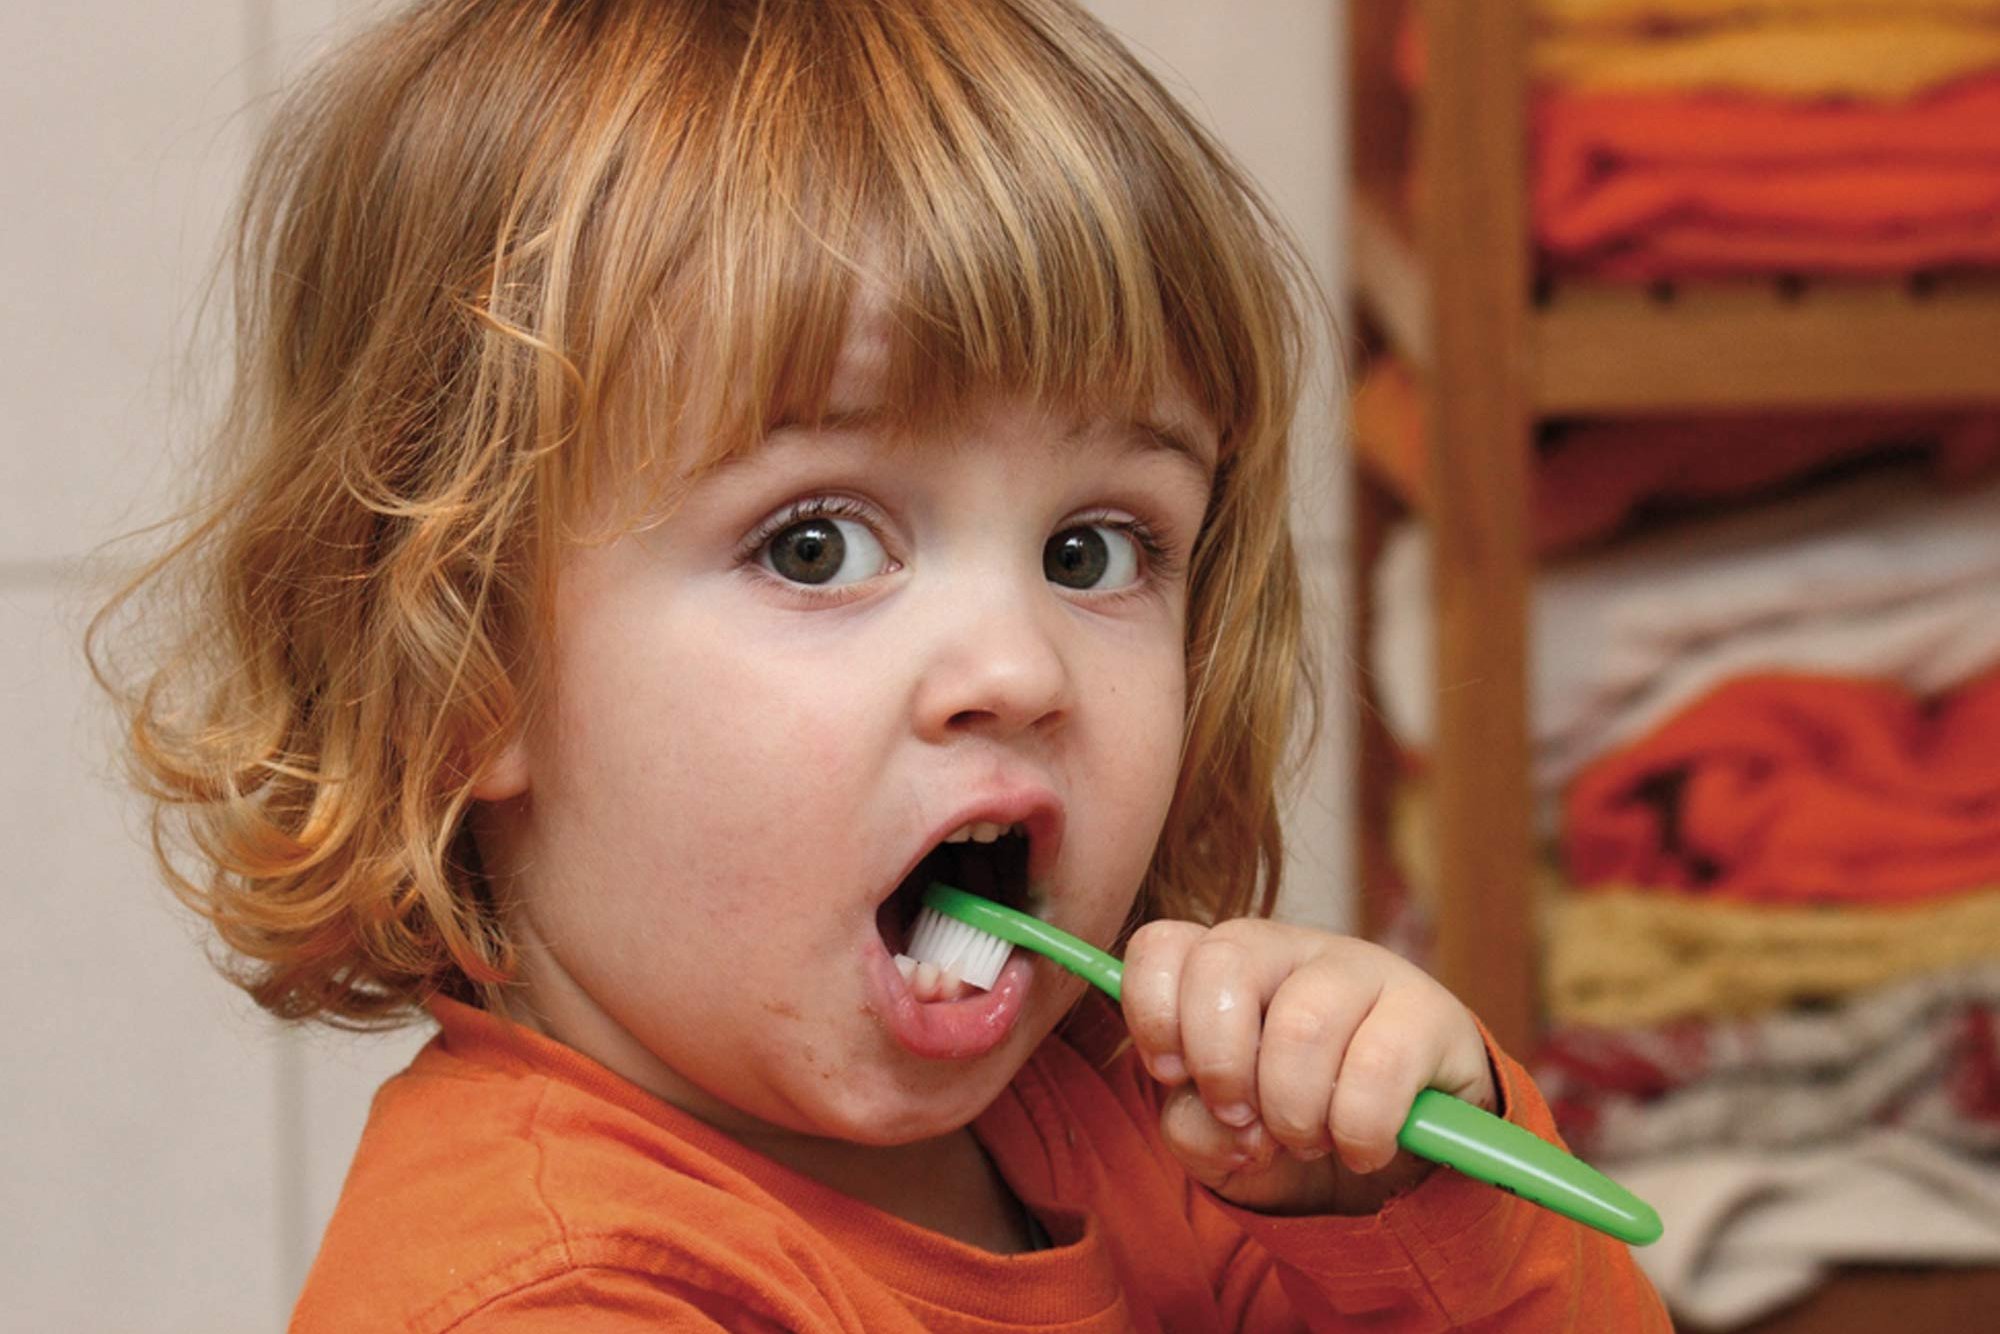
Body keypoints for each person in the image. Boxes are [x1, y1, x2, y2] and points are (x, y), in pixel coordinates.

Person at [89, 0, 1669, 1328]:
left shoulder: (1164, 1131)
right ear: (461, 669)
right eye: (816, 545)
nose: (1018, 663)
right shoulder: (543, 1295)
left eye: (1093, 548)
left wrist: (1407, 1209)